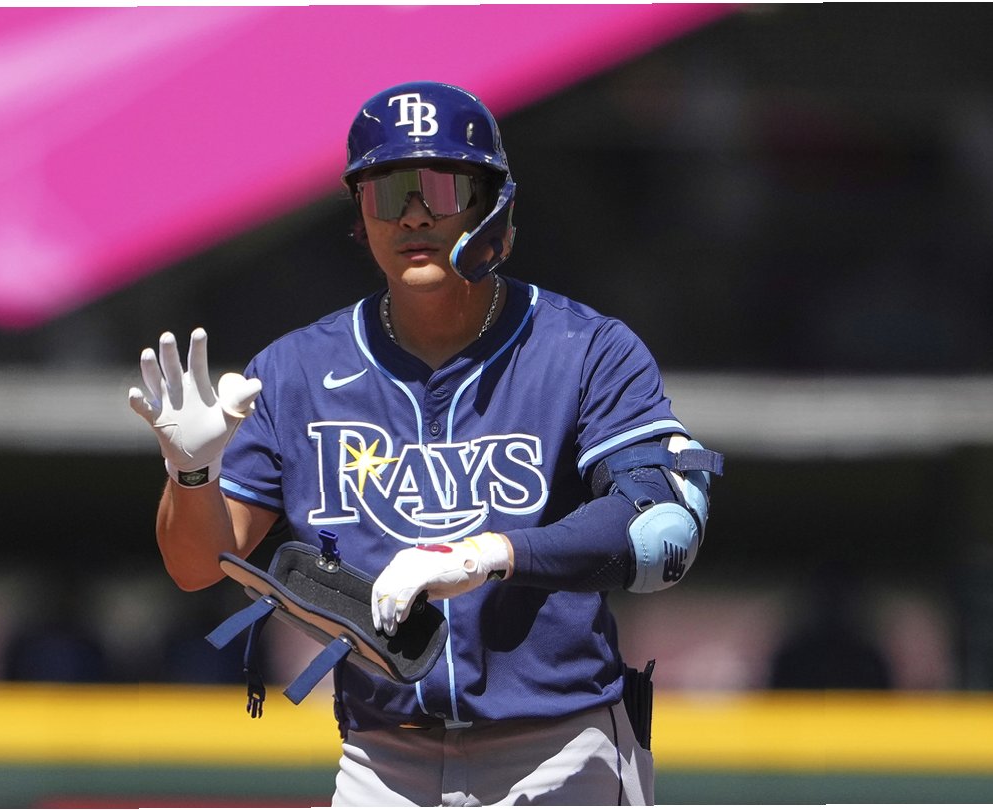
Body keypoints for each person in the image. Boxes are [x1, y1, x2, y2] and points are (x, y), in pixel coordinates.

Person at [128, 81, 721, 806]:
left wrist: (488, 554)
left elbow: (661, 528)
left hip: (561, 744)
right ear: (360, 215)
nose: (413, 214)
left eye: (440, 187)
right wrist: (190, 473)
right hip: (381, 757)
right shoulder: (294, 372)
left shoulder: (584, 348)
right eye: (387, 192)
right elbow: (196, 568)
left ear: (491, 205)